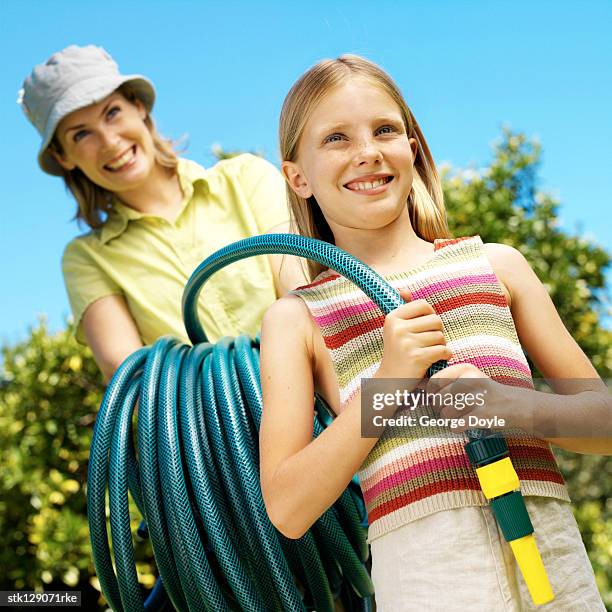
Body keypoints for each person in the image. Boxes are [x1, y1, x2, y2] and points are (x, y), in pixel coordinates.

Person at [259, 55, 609, 610]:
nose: (367, 152)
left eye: (384, 130)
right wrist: (391, 383)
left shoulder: (498, 265)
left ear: (413, 148)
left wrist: (508, 408)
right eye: (336, 138)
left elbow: (605, 422)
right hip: (424, 573)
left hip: (552, 557)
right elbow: (287, 507)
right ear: (297, 176)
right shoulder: (296, 318)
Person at [19, 44, 307, 382]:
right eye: (81, 134)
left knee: (382, 407)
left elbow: (305, 298)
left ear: (138, 107)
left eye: (112, 112)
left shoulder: (246, 179)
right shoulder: (86, 259)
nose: (110, 141)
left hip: (321, 398)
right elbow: (133, 378)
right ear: (64, 156)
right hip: (208, 433)